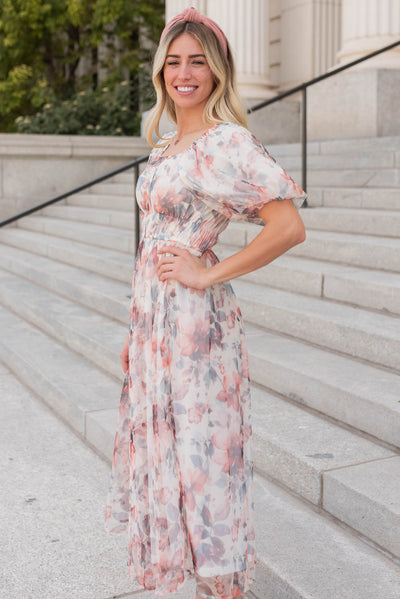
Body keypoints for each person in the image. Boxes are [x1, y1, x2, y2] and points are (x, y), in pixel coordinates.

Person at [104, 7, 306, 599]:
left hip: (196, 327)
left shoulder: (227, 143)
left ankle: (224, 590)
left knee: (203, 457)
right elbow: (147, 246)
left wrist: (202, 274)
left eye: (198, 61)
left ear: (217, 72)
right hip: (153, 324)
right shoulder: (166, 146)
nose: (184, 73)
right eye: (173, 62)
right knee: (165, 451)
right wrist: (133, 327)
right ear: (161, 72)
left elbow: (288, 227)